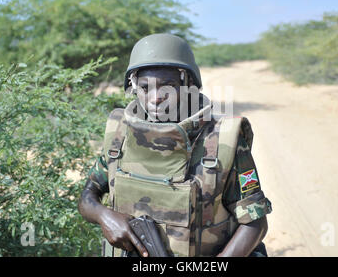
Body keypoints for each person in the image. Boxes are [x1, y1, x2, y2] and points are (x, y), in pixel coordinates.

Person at [78, 33, 272, 257]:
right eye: (145, 87)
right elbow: (88, 195)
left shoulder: (222, 140)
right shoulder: (120, 132)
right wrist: (104, 216)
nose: (156, 97)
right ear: (133, 87)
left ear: (188, 84)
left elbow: (255, 223)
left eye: (167, 86)